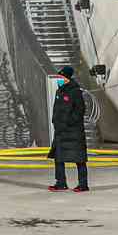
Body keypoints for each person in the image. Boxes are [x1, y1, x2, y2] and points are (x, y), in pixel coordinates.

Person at [47, 65, 91, 193]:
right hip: (61, 131)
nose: (59, 79)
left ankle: (83, 184)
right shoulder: (59, 91)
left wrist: (68, 123)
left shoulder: (75, 91)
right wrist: (55, 121)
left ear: (67, 78)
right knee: (58, 157)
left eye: (61, 77)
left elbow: (80, 111)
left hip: (73, 131)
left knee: (79, 159)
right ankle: (61, 183)